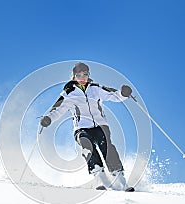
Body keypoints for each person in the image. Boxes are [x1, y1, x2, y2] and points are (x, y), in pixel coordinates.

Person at [40, 62, 134, 192]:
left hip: (100, 126)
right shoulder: (69, 93)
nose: (82, 77)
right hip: (81, 128)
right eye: (79, 75)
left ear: (88, 75)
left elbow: (114, 95)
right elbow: (58, 109)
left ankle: (120, 180)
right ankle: (100, 177)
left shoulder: (96, 88)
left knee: (107, 146)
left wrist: (124, 93)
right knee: (87, 145)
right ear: (73, 77)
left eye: (85, 74)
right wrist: (48, 118)